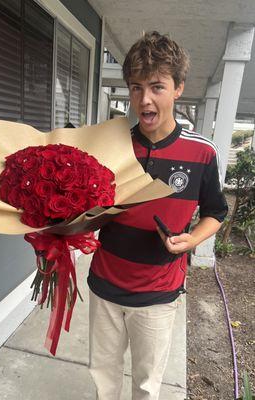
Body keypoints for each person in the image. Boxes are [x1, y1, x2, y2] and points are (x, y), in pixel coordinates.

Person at [87, 31, 228, 400]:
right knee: (103, 381)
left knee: (148, 387)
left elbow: (216, 210)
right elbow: (89, 207)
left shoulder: (202, 153)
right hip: (104, 283)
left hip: (158, 293)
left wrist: (192, 239)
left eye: (156, 86)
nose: (144, 99)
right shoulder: (112, 144)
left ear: (178, 87)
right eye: (135, 87)